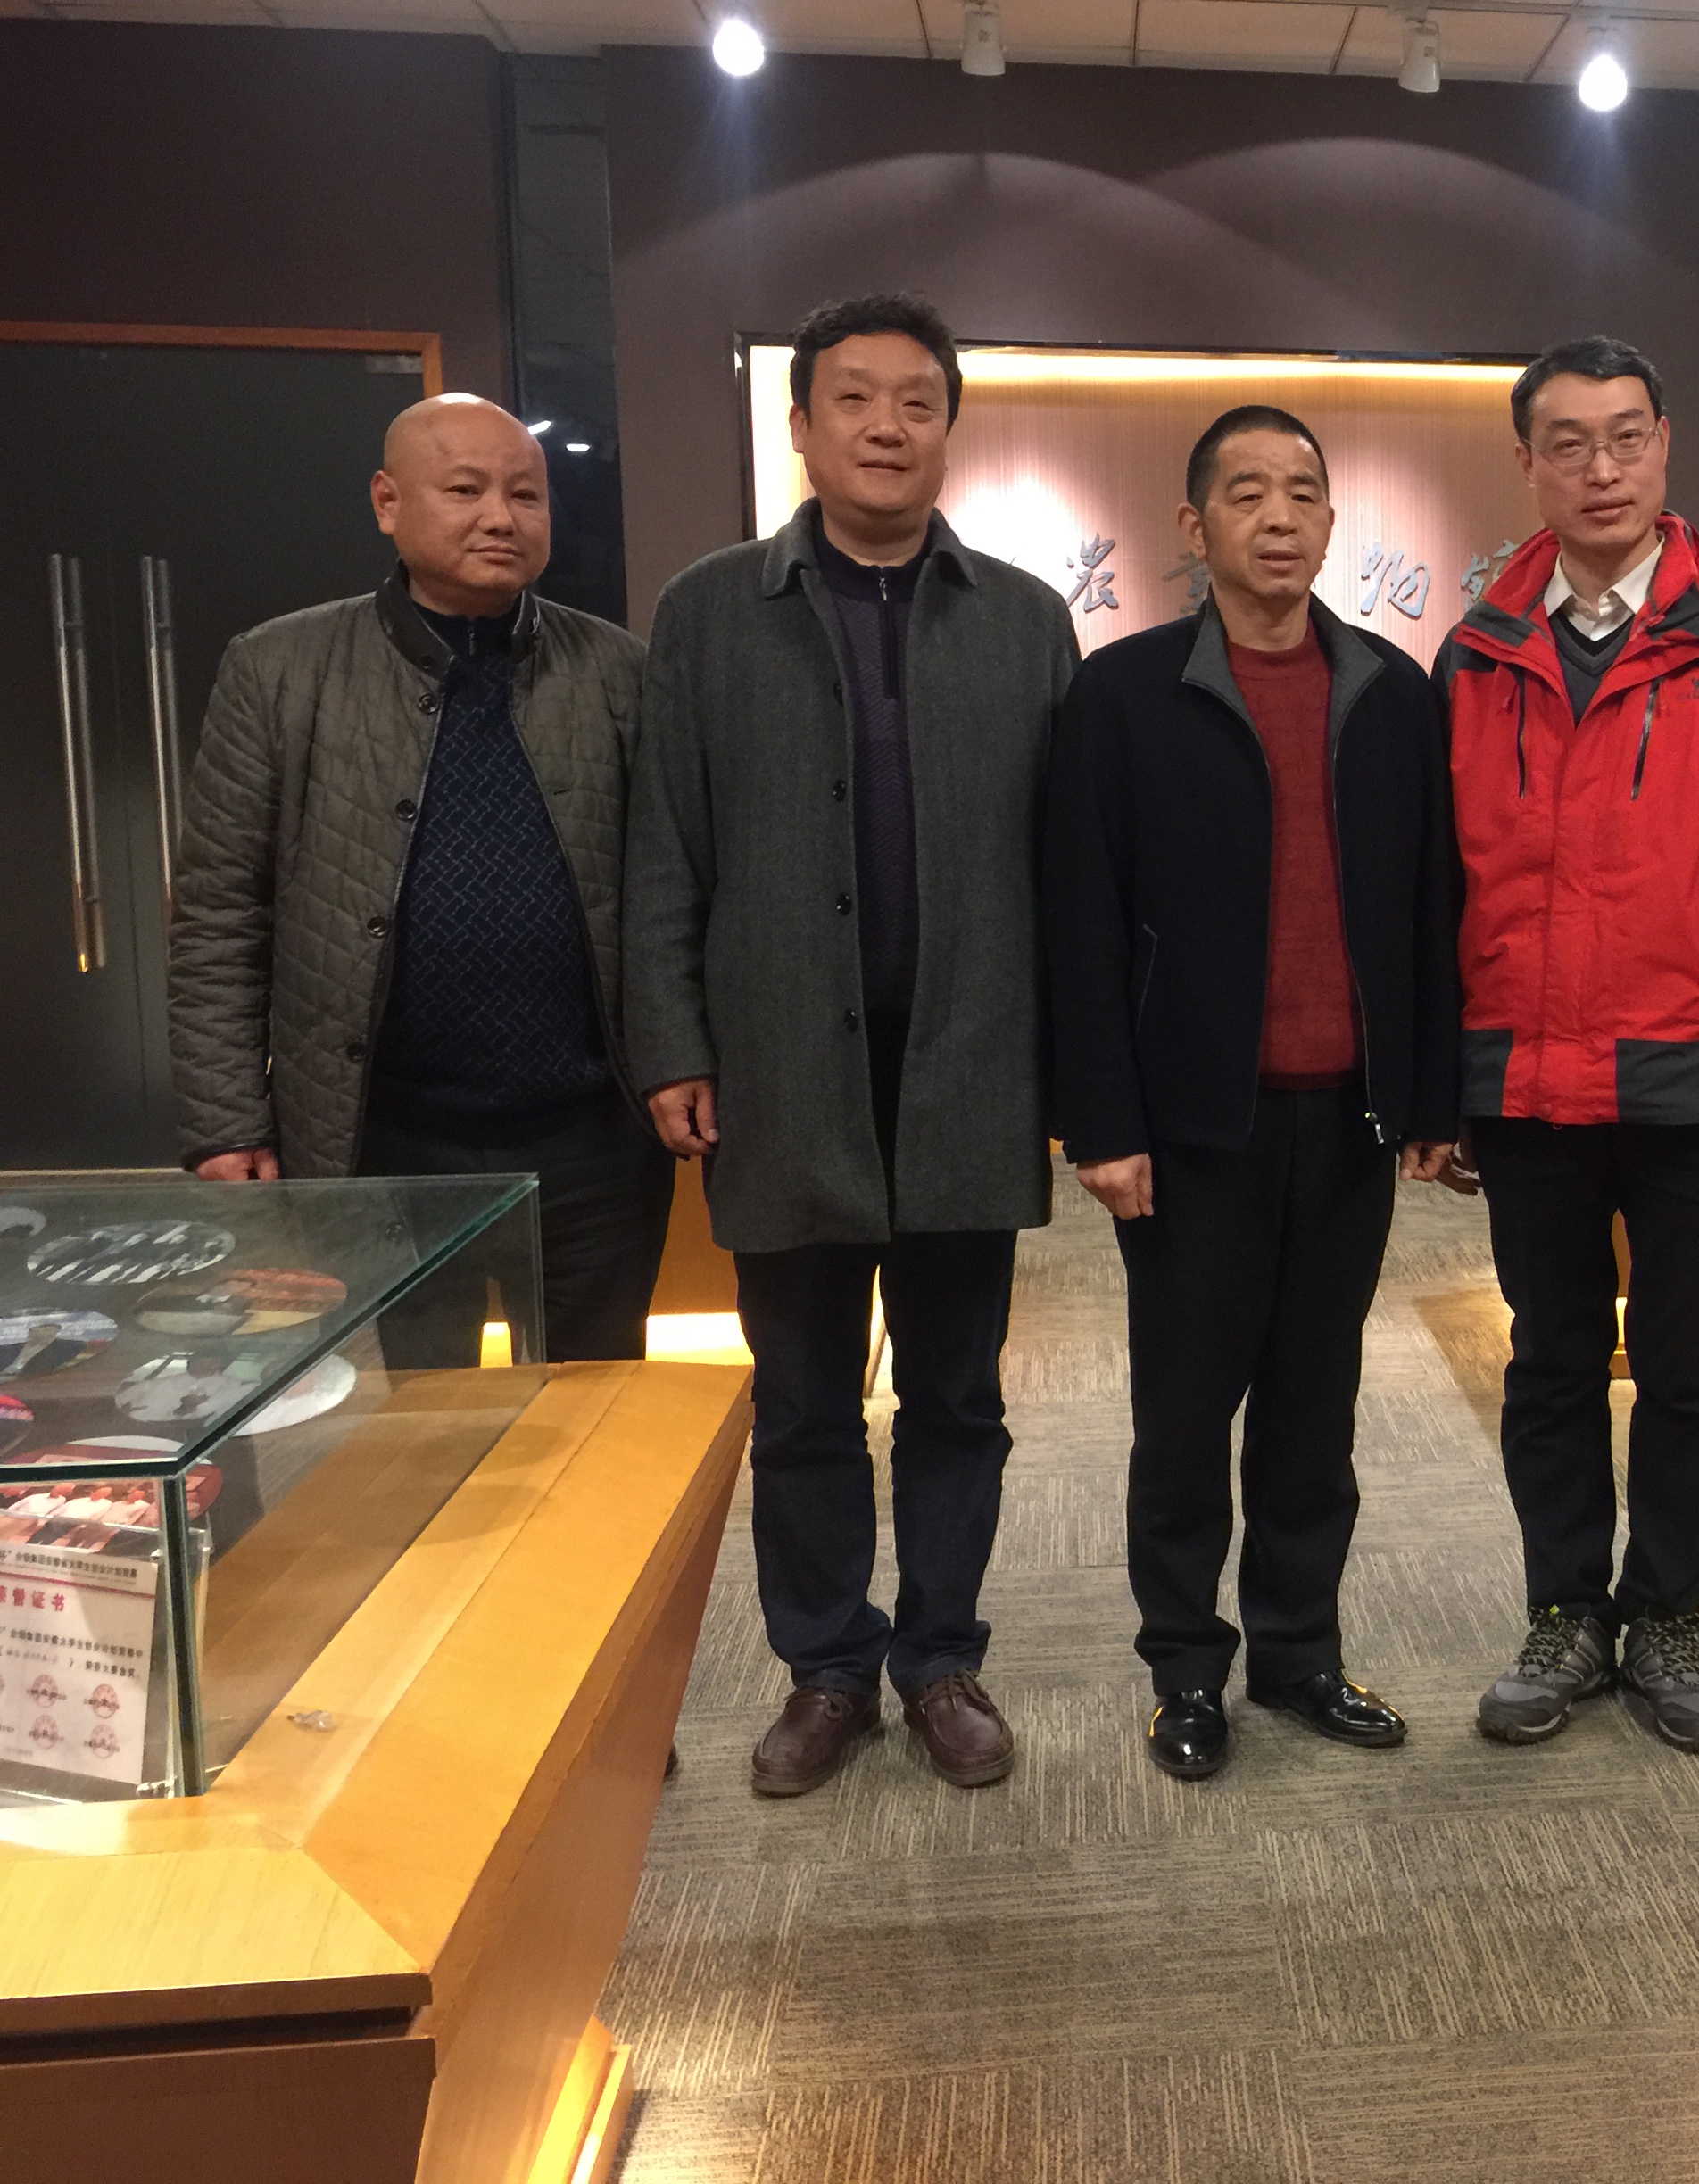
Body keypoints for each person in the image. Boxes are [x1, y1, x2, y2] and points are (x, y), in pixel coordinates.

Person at [624, 293, 1080, 1799]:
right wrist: (672, 1041)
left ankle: (940, 1659)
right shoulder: (709, 613)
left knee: (958, 1398)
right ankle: (825, 1667)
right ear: (802, 424)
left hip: (967, 1069)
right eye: (856, 399)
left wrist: (1075, 1074)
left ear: (950, 428)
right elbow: (663, 847)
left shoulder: (1022, 619)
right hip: (780, 1076)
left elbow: (1070, 870)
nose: (888, 427)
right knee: (804, 1401)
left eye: (917, 402)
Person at [1441, 335, 1699, 1756]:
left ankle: (1669, 1615)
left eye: (1627, 437)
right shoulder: (1477, 650)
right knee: (1551, 1361)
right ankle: (1565, 1612)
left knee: (1687, 1366)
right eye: (1569, 443)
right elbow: (1442, 885)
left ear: (1666, 447)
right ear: (1529, 463)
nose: (1601, 468)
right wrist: (1447, 1082)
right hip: (1528, 1084)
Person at [1045, 407, 1459, 1781]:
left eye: (1302, 494)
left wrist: (1428, 1095)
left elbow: (1430, 908)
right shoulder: (1124, 695)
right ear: (1194, 525)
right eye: (1246, 494)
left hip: (1346, 1119)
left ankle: (1298, 1653)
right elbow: (1081, 921)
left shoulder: (1391, 693)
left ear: (1331, 523)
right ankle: (1184, 1669)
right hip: (1191, 1131)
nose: (1279, 518)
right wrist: (1103, 1122)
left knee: (1313, 1409)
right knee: (1183, 1417)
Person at [170, 393, 669, 1365]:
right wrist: (224, 1120)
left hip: (591, 1140)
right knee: (415, 1417)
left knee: (592, 1409)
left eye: (526, 495)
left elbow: (669, 892)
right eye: (466, 490)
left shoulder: (618, 671)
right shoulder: (278, 670)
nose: (501, 517)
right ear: (387, 502)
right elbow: (218, 913)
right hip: (382, 1139)